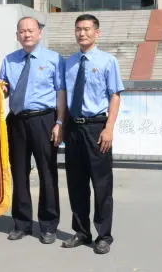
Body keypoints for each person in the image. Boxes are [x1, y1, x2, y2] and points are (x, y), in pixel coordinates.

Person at [0, 17, 66, 245]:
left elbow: (60, 92)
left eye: (30, 30)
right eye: (22, 31)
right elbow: (3, 89)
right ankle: (21, 223)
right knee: (19, 173)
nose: (26, 35)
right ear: (17, 35)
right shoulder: (9, 60)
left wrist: (60, 122)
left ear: (39, 32)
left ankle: (48, 225)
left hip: (44, 120)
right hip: (16, 120)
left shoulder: (54, 59)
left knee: (48, 172)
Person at [61, 14, 124, 255]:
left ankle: (104, 235)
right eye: (78, 29)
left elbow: (115, 95)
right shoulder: (69, 62)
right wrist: (61, 124)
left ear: (97, 33)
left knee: (101, 184)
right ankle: (81, 231)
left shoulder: (108, 61)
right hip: (73, 128)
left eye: (87, 29)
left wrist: (109, 128)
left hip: (97, 127)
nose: (82, 33)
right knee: (76, 183)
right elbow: (64, 95)